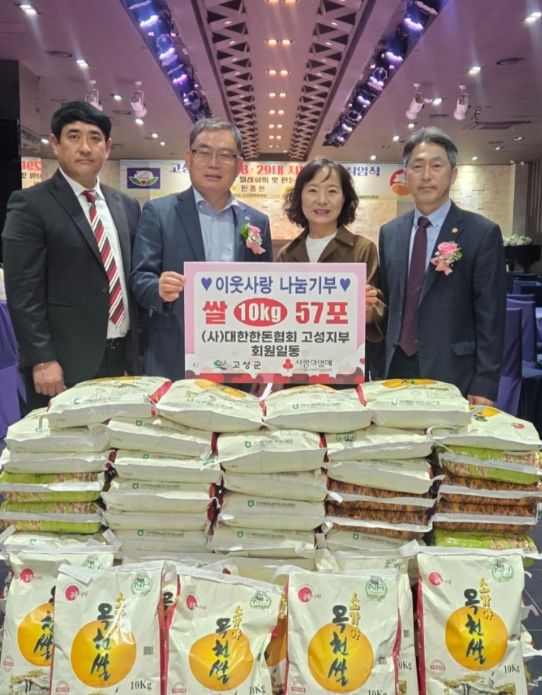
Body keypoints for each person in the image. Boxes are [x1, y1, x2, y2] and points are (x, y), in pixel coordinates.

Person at [2, 100, 141, 412]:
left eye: (94, 138)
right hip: (61, 365)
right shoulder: (30, 205)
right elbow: (23, 291)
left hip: (123, 359)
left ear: (107, 147)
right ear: (55, 143)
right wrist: (42, 358)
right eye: (74, 136)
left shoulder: (126, 205)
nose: (85, 147)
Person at [131, 117, 272, 381]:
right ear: (189, 158)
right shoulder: (158, 213)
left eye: (225, 155)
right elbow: (140, 279)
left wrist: (262, 365)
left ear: (239, 165)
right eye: (204, 152)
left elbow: (266, 289)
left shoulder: (256, 222)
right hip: (175, 354)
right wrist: (158, 289)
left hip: (237, 357)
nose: (213, 163)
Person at [378, 127, 506, 405]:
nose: (426, 175)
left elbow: (491, 316)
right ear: (405, 175)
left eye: (436, 166)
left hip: (453, 371)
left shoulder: (481, 233)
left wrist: (485, 383)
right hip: (394, 367)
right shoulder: (390, 233)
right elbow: (389, 302)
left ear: (453, 174)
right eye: (417, 166)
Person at [277, 158, 386, 379]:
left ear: (345, 198)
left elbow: (378, 312)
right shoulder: (286, 254)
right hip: (296, 370)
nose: (322, 200)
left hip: (345, 371)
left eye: (332, 191)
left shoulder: (362, 249)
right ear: (299, 196)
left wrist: (366, 308)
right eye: (312, 190)